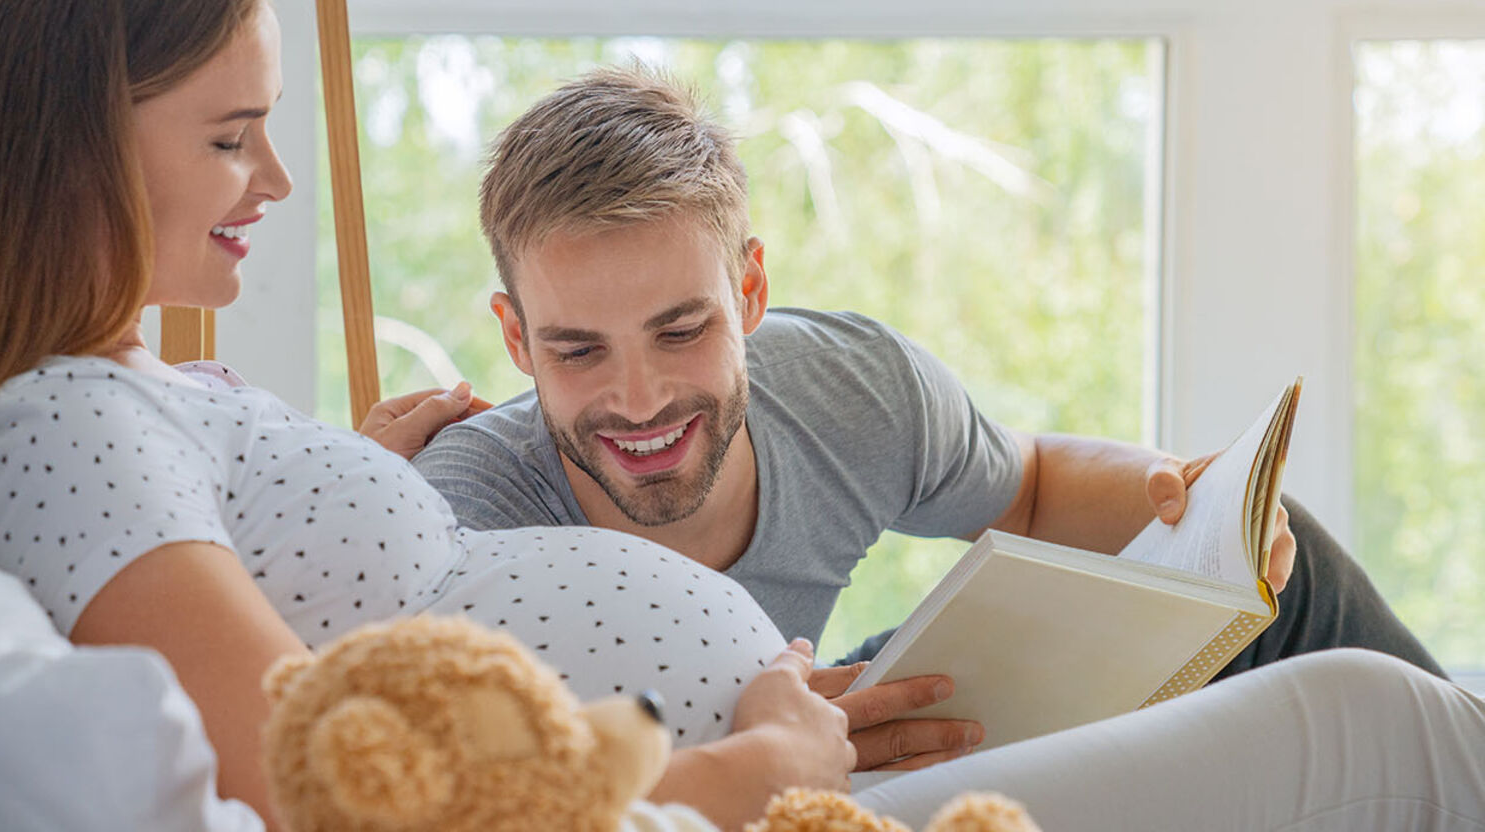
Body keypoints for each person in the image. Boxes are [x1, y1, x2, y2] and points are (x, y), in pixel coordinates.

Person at [0, 0, 1485, 832]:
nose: (275, 185)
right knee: (1386, 727)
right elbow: (341, 780)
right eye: (232, 139)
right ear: (71, 144)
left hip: (795, 760)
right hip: (754, 798)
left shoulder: (122, 402)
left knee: (1358, 665)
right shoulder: (59, 428)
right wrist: (745, 768)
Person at [405, 66, 1449, 770]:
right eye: (577, 350)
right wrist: (760, 746)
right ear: (514, 338)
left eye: (682, 333)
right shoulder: (465, 516)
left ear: (752, 296)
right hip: (725, 776)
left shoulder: (848, 386)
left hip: (837, 703)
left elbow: (1031, 486)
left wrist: (1184, 497)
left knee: (1283, 559)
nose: (637, 400)